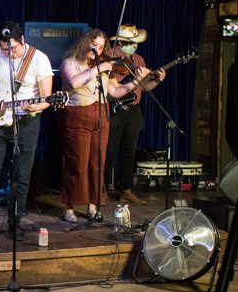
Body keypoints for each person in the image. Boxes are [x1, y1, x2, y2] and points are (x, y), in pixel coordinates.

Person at [0, 21, 53, 241]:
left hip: (26, 123)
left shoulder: (39, 59)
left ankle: (15, 222)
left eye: (13, 48)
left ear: (22, 40)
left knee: (21, 175)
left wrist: (35, 106)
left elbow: (46, 99)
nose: (8, 53)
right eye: (5, 49)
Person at [59, 29, 153, 223]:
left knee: (97, 164)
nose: (99, 50)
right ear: (86, 43)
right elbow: (74, 82)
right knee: (77, 163)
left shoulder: (104, 67)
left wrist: (137, 81)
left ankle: (93, 206)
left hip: (101, 115)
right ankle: (69, 207)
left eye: (102, 47)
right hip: (78, 115)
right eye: (95, 45)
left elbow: (116, 91)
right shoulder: (70, 63)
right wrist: (99, 68)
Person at [102, 24, 165, 206]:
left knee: (129, 150)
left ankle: (126, 189)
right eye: (129, 43)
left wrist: (156, 80)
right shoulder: (111, 58)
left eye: (135, 43)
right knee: (110, 149)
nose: (133, 46)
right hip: (116, 109)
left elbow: (143, 87)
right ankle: (104, 188)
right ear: (121, 42)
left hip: (134, 108)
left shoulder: (138, 60)